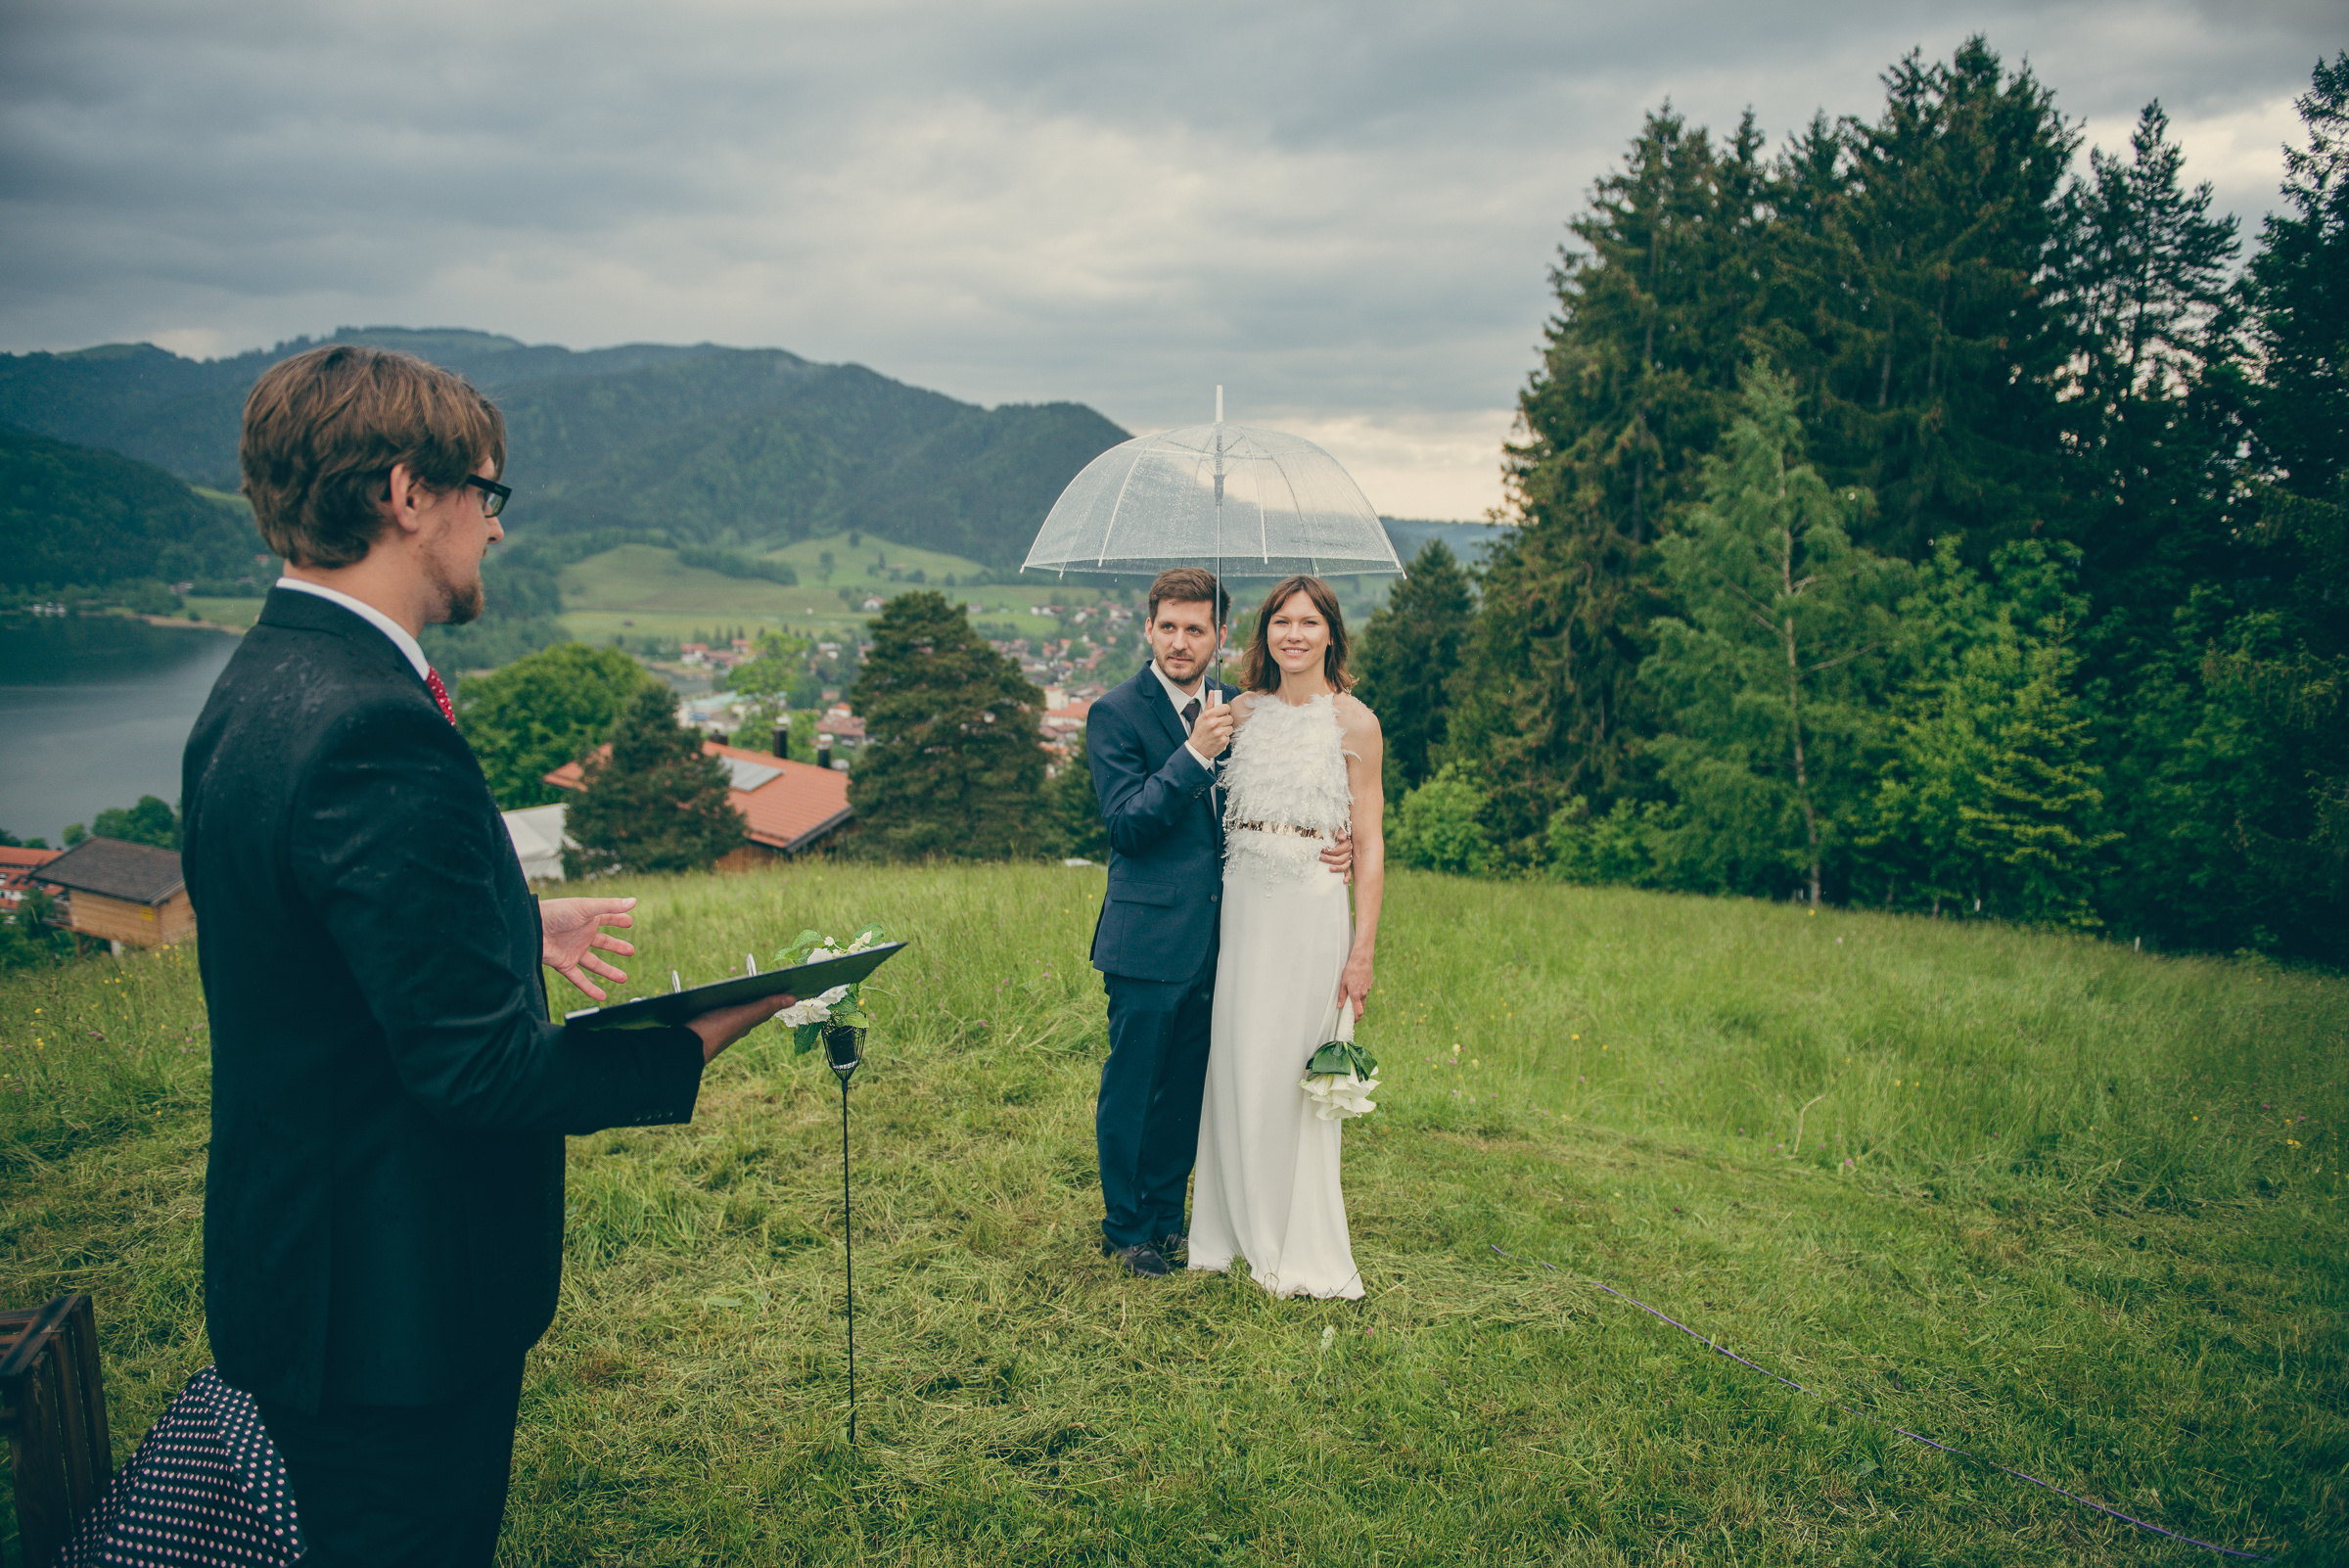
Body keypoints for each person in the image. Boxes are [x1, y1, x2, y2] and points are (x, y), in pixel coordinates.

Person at [181, 344, 791, 1568]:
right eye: (488, 496)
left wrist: (510, 920)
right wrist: (690, 1039)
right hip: (389, 1302)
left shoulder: (260, 683)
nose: (495, 535)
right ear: (410, 493)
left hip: (298, 1259)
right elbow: (479, 1076)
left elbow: (319, 941)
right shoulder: (373, 728)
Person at [1082, 569, 1349, 1277]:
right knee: (1135, 1085)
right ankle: (1127, 1226)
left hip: (1228, 937)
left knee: (1189, 1088)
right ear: (1148, 628)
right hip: (1145, 939)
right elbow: (1128, 824)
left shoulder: (1243, 708)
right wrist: (1196, 752)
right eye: (1167, 627)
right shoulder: (1115, 712)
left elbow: (1278, 796)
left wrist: (1332, 837)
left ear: (1219, 636)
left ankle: (1169, 1219)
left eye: (1195, 629)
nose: (1180, 641)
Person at [1187, 576, 1385, 1299]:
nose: (1292, 634)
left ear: (1331, 632)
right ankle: (1226, 1230)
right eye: (1280, 622)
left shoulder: (1355, 722)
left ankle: (1293, 1238)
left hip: (1309, 906)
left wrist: (1361, 950)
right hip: (1243, 902)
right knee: (1237, 1059)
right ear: (1264, 632)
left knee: (1290, 1071)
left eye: (1308, 622)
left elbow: (1369, 839)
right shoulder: (1238, 712)